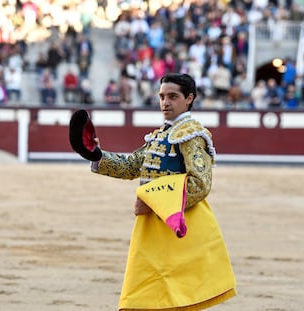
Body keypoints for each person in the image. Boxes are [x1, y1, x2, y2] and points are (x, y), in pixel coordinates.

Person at [69, 73, 236, 310]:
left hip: (178, 224)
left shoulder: (191, 134)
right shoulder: (161, 135)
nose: (165, 102)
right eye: (162, 97)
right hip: (156, 224)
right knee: (154, 290)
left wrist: (154, 203)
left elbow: (200, 183)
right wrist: (96, 155)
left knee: (166, 292)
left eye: (172, 96)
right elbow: (131, 166)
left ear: (189, 99)